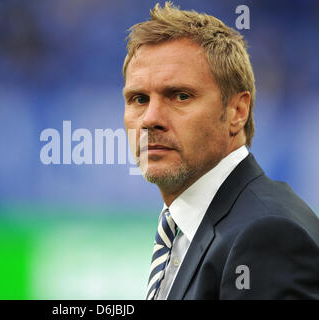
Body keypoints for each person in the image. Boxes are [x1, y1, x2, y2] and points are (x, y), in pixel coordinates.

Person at [122, 2, 319, 299]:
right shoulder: (192, 226)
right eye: (138, 99)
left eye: (180, 96)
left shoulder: (266, 235)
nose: (150, 119)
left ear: (237, 111)